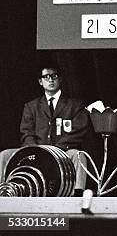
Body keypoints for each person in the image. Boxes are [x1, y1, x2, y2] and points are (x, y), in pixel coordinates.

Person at [0, 65, 90, 196]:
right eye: (46, 77)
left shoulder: (75, 105)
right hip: (36, 151)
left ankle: (76, 194)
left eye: (54, 76)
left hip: (63, 151)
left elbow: (78, 131)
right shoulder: (31, 106)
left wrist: (55, 151)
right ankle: (3, 192)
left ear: (60, 79)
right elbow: (26, 132)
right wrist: (35, 150)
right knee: (4, 155)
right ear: (40, 82)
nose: (51, 80)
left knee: (78, 155)